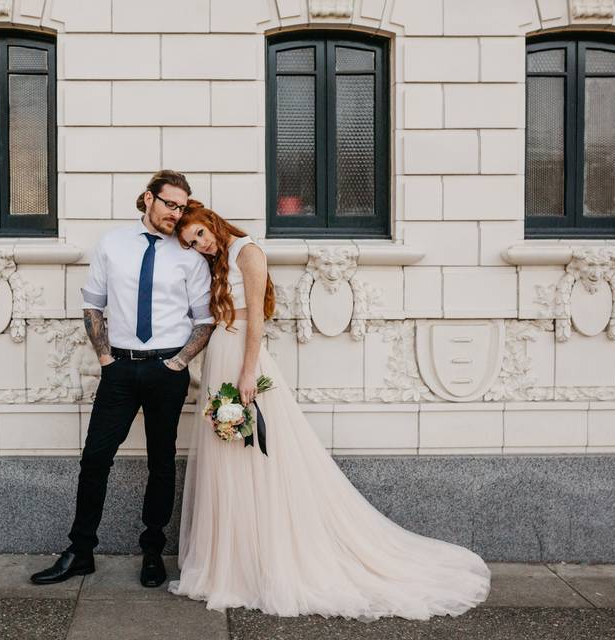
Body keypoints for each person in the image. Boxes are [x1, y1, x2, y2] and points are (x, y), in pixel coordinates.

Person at [168, 201, 491, 620]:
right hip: (220, 357)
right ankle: (229, 563)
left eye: (199, 234)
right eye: (191, 242)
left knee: (255, 456)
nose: (200, 244)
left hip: (242, 360)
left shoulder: (247, 252)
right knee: (227, 456)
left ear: (211, 222)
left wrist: (248, 373)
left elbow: (257, 321)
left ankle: (261, 562)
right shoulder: (216, 261)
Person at [30, 171, 214, 588]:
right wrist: (105, 358)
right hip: (120, 370)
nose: (177, 213)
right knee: (95, 458)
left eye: (183, 207)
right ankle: (80, 551)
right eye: (171, 204)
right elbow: (93, 306)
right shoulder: (112, 244)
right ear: (148, 198)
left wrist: (179, 362)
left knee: (162, 464)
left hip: (167, 371)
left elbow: (204, 321)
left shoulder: (189, 255)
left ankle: (152, 551)